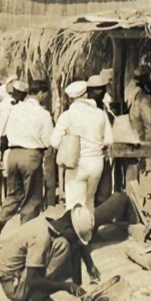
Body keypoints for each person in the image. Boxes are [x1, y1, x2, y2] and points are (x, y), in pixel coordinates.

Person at [0, 204, 100, 301]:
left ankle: (40, 297)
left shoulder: (54, 222)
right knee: (63, 247)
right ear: (68, 228)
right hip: (14, 286)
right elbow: (33, 280)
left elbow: (78, 244)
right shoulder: (41, 237)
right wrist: (66, 286)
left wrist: (90, 266)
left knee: (66, 244)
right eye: (75, 237)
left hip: (20, 276)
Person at [0, 79, 55, 236]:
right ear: (41, 94)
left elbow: (4, 133)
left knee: (15, 193)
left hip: (13, 155)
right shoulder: (43, 114)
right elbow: (49, 140)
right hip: (31, 155)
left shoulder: (15, 109)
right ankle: (25, 235)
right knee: (33, 197)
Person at [52, 80, 114, 213]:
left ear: (71, 98)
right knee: (89, 202)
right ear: (86, 95)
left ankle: (75, 233)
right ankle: (88, 232)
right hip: (96, 163)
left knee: (74, 205)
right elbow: (109, 140)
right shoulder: (100, 114)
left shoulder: (67, 116)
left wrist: (70, 144)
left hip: (76, 164)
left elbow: (54, 142)